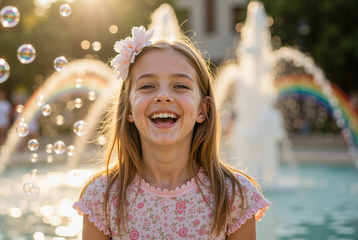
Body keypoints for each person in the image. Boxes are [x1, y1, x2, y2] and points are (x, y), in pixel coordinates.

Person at [73, 26, 270, 239]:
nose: (163, 96)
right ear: (128, 109)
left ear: (203, 110)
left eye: (180, 86)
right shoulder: (102, 197)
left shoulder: (234, 196)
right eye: (147, 85)